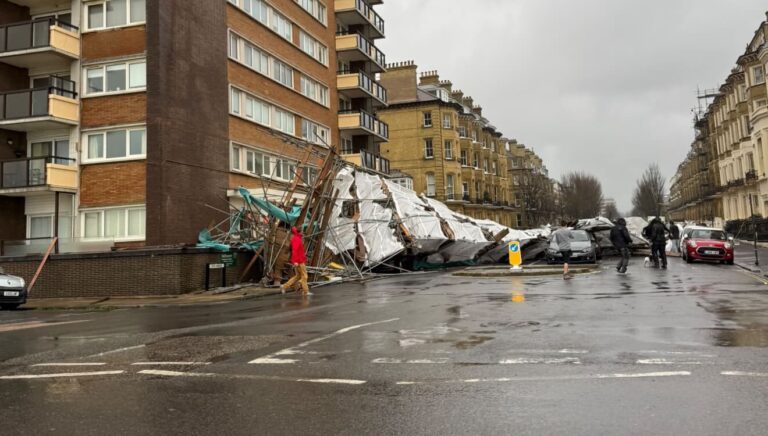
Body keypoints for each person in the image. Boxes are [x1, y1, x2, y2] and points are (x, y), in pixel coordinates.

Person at [281, 226, 310, 296]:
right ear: (300, 232)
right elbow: (294, 251)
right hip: (299, 261)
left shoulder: (297, 238)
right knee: (304, 276)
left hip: (299, 261)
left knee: (298, 276)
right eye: (302, 231)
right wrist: (295, 261)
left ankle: (284, 286)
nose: (303, 232)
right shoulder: (297, 239)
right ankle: (306, 291)